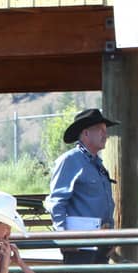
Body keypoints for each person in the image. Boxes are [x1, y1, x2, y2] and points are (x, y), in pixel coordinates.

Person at [45, 107, 119, 264]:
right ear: (85, 134)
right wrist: (63, 237)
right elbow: (56, 202)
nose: (105, 134)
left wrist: (110, 235)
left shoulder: (97, 164)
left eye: (105, 130)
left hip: (100, 241)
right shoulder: (70, 160)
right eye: (100, 130)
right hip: (80, 245)